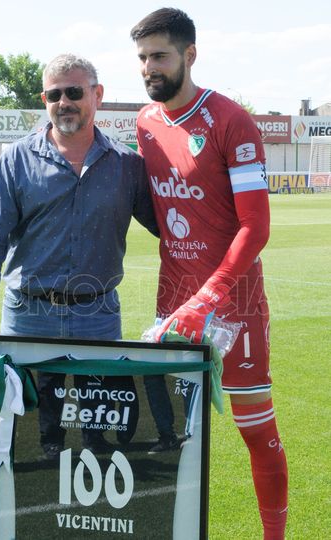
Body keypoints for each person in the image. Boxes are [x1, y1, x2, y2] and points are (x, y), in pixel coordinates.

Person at [131, 8, 288, 539]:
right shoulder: (145, 123)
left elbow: (256, 226)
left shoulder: (230, 120)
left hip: (233, 306)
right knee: (176, 436)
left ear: (189, 55)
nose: (149, 67)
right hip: (172, 306)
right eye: (143, 58)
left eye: (159, 56)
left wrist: (210, 294)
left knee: (256, 431)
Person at [0, 53, 157, 458]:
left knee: (99, 428)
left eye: (74, 92)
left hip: (98, 315)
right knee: (36, 430)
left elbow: (168, 228)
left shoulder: (127, 165)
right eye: (54, 94)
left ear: (97, 95)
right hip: (29, 315)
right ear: (45, 99)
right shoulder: (17, 159)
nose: (64, 102)